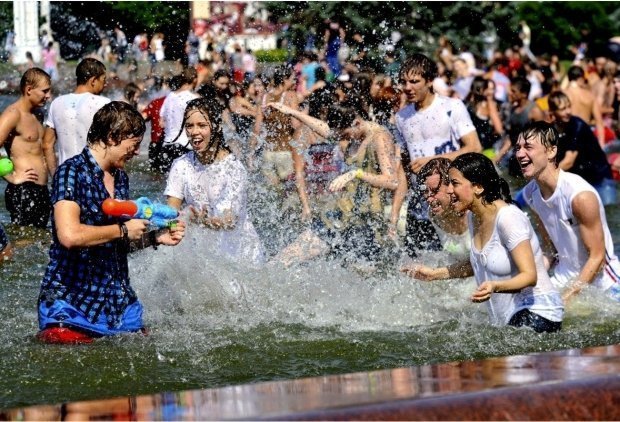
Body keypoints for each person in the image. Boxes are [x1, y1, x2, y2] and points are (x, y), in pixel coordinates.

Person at [37, 101, 186, 342]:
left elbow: (118, 243)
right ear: (113, 137)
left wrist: (155, 238)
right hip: (70, 304)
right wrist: (123, 229)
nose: (137, 151)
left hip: (117, 303)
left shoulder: (120, 178)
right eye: (134, 144)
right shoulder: (71, 172)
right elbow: (69, 236)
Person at [404, 152, 564, 333]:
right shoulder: (474, 217)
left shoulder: (508, 218)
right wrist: (434, 274)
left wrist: (495, 286)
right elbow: (479, 264)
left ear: (478, 187)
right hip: (511, 318)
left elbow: (529, 276)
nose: (449, 190)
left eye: (454, 184)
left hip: (540, 314)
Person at [268, 100, 402, 267]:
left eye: (345, 135)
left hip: (366, 223)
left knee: (360, 279)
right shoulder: (353, 132)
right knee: (282, 260)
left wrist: (356, 173)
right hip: (339, 216)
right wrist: (292, 112)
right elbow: (325, 129)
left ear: (357, 122)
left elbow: (392, 180)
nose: (342, 140)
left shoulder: (380, 137)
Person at [515, 121, 620, 303]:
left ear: (551, 151)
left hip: (604, 286)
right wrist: (527, 280)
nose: (519, 154)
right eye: (518, 148)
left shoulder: (579, 196)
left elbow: (597, 257)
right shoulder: (531, 193)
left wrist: (565, 300)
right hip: (562, 278)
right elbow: (549, 250)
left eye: (528, 147)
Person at [391, 53, 482, 259]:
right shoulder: (401, 118)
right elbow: (404, 170)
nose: (407, 88)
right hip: (421, 207)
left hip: (455, 201)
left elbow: (474, 147)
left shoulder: (451, 107)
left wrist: (433, 162)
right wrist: (395, 212)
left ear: (430, 80)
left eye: (414, 81)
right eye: (403, 82)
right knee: (420, 271)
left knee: (467, 262)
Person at [165, 97, 264, 264]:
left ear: (216, 126)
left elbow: (229, 221)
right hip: (207, 256)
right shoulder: (181, 165)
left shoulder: (233, 168)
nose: (194, 131)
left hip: (243, 257)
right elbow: (169, 214)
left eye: (202, 125)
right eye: (189, 126)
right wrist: (173, 229)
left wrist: (204, 222)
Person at [0, 68, 52, 228]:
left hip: (41, 190)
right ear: (29, 89)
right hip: (23, 189)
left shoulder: (39, 114)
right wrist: (11, 177)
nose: (48, 95)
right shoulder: (13, 114)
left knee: (39, 242)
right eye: (45, 91)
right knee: (24, 243)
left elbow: (45, 148)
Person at [42, 58, 110, 175]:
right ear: (93, 80)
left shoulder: (57, 103)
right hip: (93, 178)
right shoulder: (103, 103)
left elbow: (47, 145)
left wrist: (56, 176)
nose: (105, 84)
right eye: (103, 80)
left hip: (66, 177)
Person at [547, 91, 616, 205]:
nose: (568, 111)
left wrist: (546, 177)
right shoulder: (552, 129)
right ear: (552, 112)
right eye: (563, 109)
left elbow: (569, 162)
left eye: (569, 106)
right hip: (581, 180)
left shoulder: (577, 126)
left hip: (600, 178)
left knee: (609, 211)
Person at [414, 158, 469, 259]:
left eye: (435, 191)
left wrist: (435, 274)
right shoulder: (434, 216)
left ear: (452, 186)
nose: (429, 199)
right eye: (425, 191)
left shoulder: (474, 211)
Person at [563, 65, 606, 148]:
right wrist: (601, 144)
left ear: (569, 78)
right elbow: (599, 122)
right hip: (585, 137)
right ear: (581, 78)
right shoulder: (589, 96)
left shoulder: (563, 95)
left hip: (568, 137)